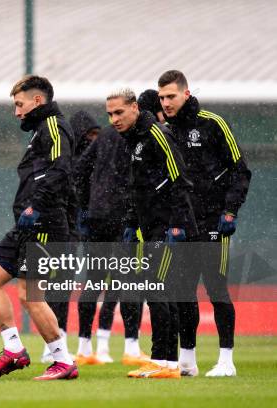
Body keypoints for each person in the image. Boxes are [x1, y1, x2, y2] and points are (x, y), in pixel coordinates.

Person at [0, 75, 78, 380]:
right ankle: (14, 351)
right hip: (26, 225)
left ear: (37, 101)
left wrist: (36, 205)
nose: (16, 112)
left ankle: (63, 361)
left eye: (19, 104)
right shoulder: (39, 132)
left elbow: (61, 169)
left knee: (30, 294)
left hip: (46, 222)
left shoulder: (55, 126)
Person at [157, 70, 251, 377]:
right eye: (161, 97)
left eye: (170, 96)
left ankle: (226, 361)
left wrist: (230, 212)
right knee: (183, 290)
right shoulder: (165, 131)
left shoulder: (212, 123)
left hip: (213, 221)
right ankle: (188, 361)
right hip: (183, 225)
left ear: (185, 94)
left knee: (216, 288)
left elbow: (240, 170)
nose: (166, 102)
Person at [106, 87, 197, 379]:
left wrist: (177, 226)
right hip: (150, 228)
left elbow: (180, 180)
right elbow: (139, 190)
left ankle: (162, 361)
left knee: (159, 292)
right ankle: (167, 363)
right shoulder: (134, 140)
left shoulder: (157, 135)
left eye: (119, 112)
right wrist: (132, 223)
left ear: (134, 107)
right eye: (109, 114)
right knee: (161, 293)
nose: (114, 119)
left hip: (167, 227)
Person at [72, 109, 146, 366]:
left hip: (97, 217)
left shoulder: (103, 137)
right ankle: (131, 348)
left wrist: (88, 204)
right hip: (124, 218)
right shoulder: (137, 137)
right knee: (127, 282)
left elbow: (79, 171)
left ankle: (84, 347)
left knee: (93, 281)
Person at [42, 110, 99, 364]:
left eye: (97, 135)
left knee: (63, 285)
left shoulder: (93, 162)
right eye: (90, 135)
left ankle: (60, 340)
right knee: (49, 286)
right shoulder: (61, 159)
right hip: (55, 228)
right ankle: (51, 341)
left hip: (75, 230)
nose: (94, 140)